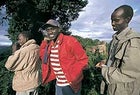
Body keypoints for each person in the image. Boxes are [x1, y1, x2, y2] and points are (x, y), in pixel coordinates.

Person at [96, 5, 140, 95]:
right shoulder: (115, 39)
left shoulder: (133, 42)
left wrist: (103, 70)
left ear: (127, 20)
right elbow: (117, 61)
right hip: (112, 88)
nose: (112, 23)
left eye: (116, 20)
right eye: (111, 20)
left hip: (124, 91)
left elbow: (128, 73)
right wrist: (106, 62)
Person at [39, 19, 88, 95]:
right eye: (48, 30)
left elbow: (83, 60)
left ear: (59, 29)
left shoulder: (70, 41)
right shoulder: (50, 45)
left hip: (71, 84)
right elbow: (43, 58)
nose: (50, 32)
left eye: (52, 28)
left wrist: (74, 76)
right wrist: (44, 42)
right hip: (59, 84)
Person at [5, 31, 41, 95]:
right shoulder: (38, 48)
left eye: (20, 39)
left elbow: (9, 65)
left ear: (26, 38)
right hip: (34, 82)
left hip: (25, 86)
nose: (18, 41)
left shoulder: (23, 51)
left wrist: (14, 52)